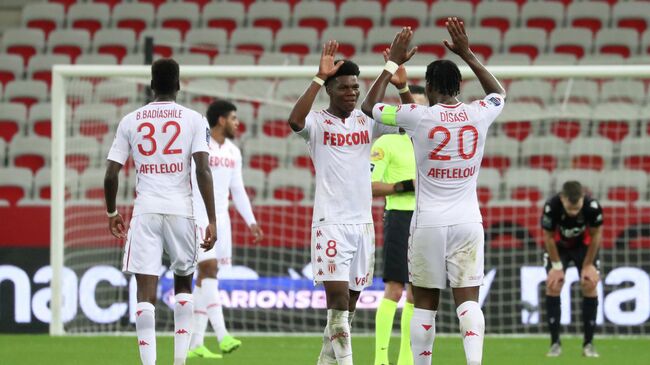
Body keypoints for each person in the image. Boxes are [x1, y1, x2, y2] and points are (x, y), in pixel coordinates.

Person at [361, 20, 506, 365]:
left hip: (426, 222)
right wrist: (468, 54)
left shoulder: (417, 116)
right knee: (468, 301)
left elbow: (369, 107)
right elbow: (498, 94)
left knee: (423, 303)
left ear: (427, 85)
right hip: (468, 221)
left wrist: (391, 64)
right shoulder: (478, 113)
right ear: (459, 85)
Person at [287, 41, 401, 365]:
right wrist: (317, 77)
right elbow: (294, 120)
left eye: (355, 88)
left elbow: (391, 113)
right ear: (330, 90)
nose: (351, 93)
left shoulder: (367, 123)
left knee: (346, 314)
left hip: (363, 226)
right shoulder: (317, 123)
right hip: (330, 224)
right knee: (336, 304)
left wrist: (393, 71)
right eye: (344, 87)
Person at [104, 58, 217, 365]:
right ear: (179, 85)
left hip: (146, 212)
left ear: (151, 85)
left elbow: (111, 174)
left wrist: (113, 213)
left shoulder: (130, 120)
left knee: (145, 292)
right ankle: (179, 361)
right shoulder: (195, 119)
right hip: (182, 211)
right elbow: (203, 170)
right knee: (184, 283)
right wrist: (213, 219)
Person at [187, 100, 264, 359]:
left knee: (206, 277)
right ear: (221, 120)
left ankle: (196, 341)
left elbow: (238, 190)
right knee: (208, 269)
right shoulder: (199, 144)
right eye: (233, 118)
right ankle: (222, 335)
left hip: (221, 218)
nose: (237, 122)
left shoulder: (233, 151)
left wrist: (251, 221)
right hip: (196, 215)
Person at [372, 81, 426, 365]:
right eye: (410, 107)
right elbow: (370, 186)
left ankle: (406, 358)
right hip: (400, 218)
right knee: (394, 289)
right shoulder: (386, 143)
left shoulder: (433, 143)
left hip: (428, 220)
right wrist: (406, 186)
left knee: (417, 293)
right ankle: (381, 358)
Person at [542, 181, 603, 358]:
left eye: (577, 209)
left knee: (589, 284)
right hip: (559, 248)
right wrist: (557, 267)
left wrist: (588, 265)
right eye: (570, 209)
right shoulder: (551, 206)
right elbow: (549, 237)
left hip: (584, 248)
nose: (574, 213)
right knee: (554, 284)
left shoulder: (592, 207)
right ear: (562, 198)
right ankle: (555, 344)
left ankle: (589, 344)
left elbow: (596, 235)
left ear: (583, 198)